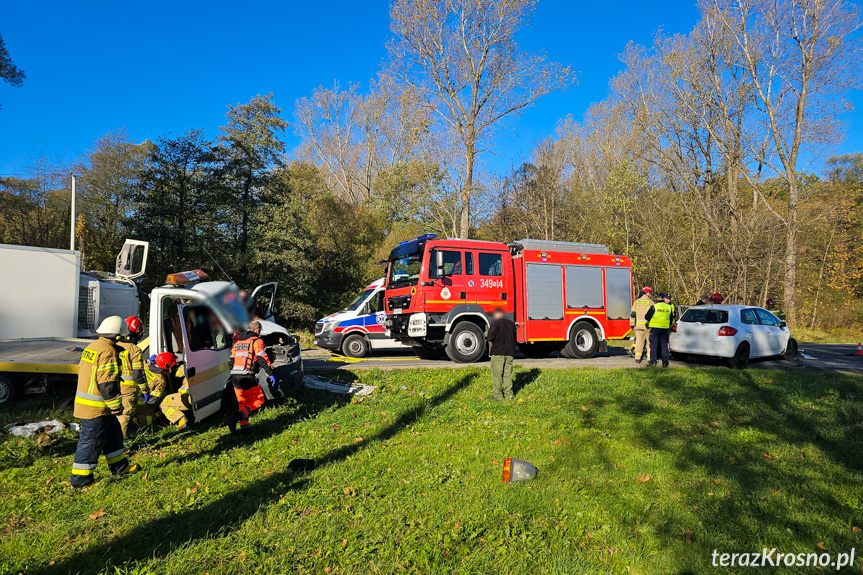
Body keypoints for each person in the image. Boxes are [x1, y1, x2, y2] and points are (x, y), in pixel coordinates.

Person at [70, 316, 141, 488]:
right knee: (91, 442)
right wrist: (117, 406)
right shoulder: (108, 352)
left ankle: (120, 467)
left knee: (113, 436)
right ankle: (81, 481)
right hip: (96, 408)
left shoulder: (93, 347)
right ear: (118, 335)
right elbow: (107, 384)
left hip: (97, 406)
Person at [226, 320, 275, 433]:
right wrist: (270, 373)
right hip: (246, 377)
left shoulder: (238, 343)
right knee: (259, 400)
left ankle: (245, 428)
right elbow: (262, 358)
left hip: (234, 376)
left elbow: (230, 361)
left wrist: (234, 372)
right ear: (257, 330)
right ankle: (233, 418)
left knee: (243, 402)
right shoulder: (256, 341)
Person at [135, 352, 187, 428]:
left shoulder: (144, 365)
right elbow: (152, 401)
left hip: (130, 397)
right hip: (141, 405)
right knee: (160, 408)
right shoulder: (161, 381)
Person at [116, 316, 146, 438]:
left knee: (114, 411)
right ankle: (120, 442)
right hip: (128, 388)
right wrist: (145, 390)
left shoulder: (115, 345)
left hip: (113, 384)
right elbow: (138, 374)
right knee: (125, 414)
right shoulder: (135, 350)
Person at [486, 308, 517, 401]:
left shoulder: (495, 324)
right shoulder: (511, 324)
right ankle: (509, 396)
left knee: (497, 375)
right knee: (508, 374)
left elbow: (490, 337)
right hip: (510, 353)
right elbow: (514, 338)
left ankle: (498, 396)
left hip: (498, 352)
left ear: (497, 314)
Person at [644, 293, 675, 368]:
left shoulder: (654, 306)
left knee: (654, 345)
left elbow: (647, 317)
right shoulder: (669, 307)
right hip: (665, 328)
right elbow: (671, 319)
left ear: (657, 298)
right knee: (664, 345)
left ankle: (653, 361)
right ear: (664, 298)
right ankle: (665, 362)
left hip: (655, 328)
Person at [629, 286, 654, 364]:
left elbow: (633, 314)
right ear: (647, 292)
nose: (650, 294)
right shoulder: (651, 302)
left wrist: (632, 324)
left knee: (639, 342)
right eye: (650, 293)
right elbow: (653, 314)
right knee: (649, 343)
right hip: (648, 326)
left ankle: (637, 358)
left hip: (639, 326)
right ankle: (650, 359)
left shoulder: (636, 302)